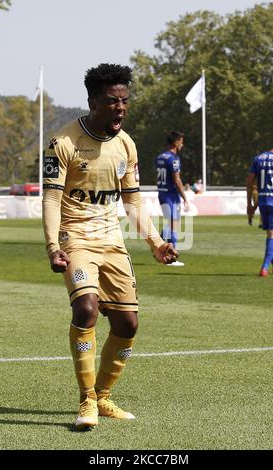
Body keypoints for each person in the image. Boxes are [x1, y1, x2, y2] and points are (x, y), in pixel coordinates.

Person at [42, 63, 177, 431]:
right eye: (110, 101)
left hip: (112, 241)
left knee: (127, 323)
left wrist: (155, 242)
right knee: (86, 309)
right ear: (92, 102)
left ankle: (103, 396)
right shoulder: (63, 143)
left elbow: (132, 201)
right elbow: (52, 199)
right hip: (75, 238)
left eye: (124, 101)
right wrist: (54, 245)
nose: (119, 108)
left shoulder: (126, 144)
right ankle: (85, 399)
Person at [246, 135, 273, 276]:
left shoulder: (258, 158)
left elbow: (250, 182)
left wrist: (250, 204)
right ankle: (264, 268)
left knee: (270, 233)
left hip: (263, 201)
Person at [155, 131, 189, 266]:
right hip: (170, 195)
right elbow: (177, 180)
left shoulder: (160, 157)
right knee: (174, 224)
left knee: (170, 223)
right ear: (175, 142)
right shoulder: (173, 158)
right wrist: (185, 197)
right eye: (181, 141)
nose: (182, 144)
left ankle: (158, 244)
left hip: (162, 193)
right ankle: (171, 257)